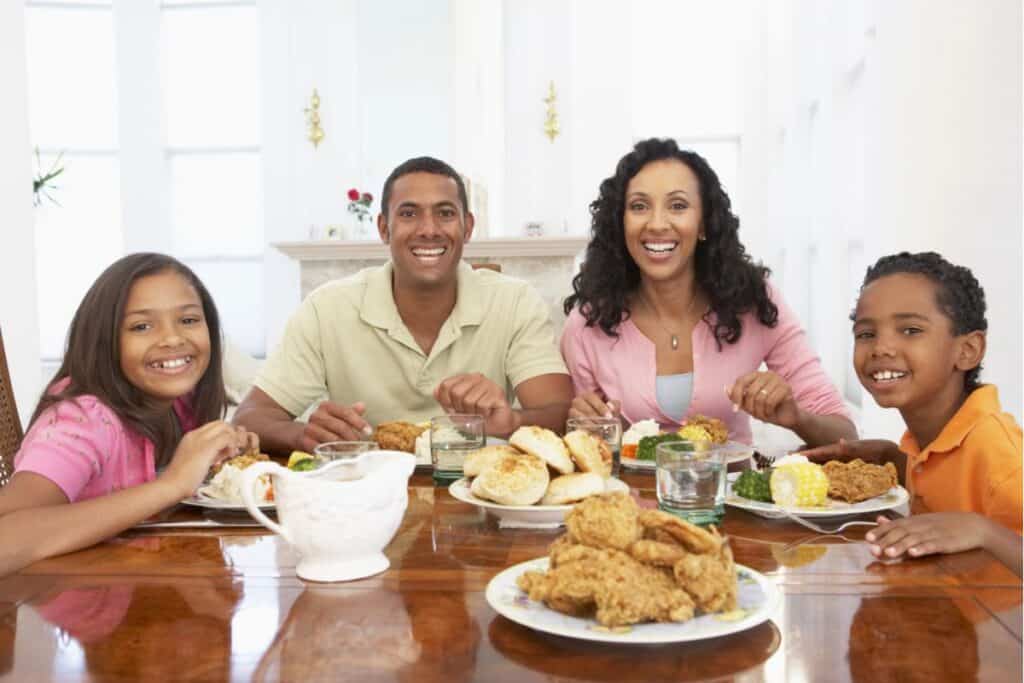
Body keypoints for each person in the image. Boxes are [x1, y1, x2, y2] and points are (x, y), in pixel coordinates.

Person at [235, 157, 572, 453]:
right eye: (409, 214)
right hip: (363, 498)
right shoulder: (327, 308)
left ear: (468, 227)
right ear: (384, 228)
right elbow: (251, 418)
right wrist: (304, 434)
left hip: (479, 492)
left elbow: (560, 412)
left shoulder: (514, 302)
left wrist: (509, 421)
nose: (428, 230)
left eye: (445, 213)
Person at [561, 138, 856, 446]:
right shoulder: (588, 323)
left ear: (703, 224)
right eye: (639, 206)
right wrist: (587, 426)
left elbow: (844, 434)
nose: (657, 223)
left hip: (730, 492)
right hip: (625, 494)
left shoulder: (753, 300)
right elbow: (588, 451)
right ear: (620, 224)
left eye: (678, 206)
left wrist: (798, 416)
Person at [0, 253, 255, 576]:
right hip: (65, 606)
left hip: (134, 588)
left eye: (188, 320)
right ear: (104, 341)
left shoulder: (175, 401)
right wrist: (172, 484)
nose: (173, 338)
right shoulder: (81, 421)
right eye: (142, 326)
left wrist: (215, 457)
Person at [803, 252, 1021, 575]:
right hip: (944, 617)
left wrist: (982, 531)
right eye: (866, 334)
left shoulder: (997, 449)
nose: (881, 348)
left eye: (910, 330)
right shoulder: (925, 438)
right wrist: (894, 459)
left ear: (967, 351)